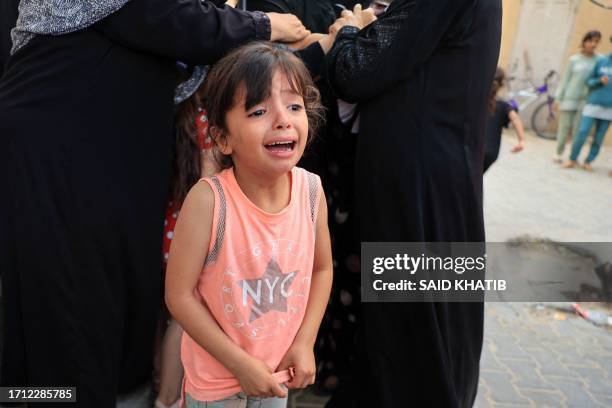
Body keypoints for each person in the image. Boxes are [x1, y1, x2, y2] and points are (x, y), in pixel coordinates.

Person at [0, 1, 310, 406]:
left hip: (90, 147)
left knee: (66, 303)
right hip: (67, 147)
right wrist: (264, 25)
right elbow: (164, 17)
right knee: (72, 301)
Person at [325, 0, 502, 406]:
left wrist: (350, 30)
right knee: (419, 325)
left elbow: (357, 72)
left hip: (416, 186)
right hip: (439, 176)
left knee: (409, 332)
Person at [165, 42, 333, 407]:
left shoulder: (311, 192)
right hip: (216, 388)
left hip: (276, 378)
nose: (282, 119)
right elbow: (179, 296)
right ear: (223, 137)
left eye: (294, 106)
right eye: (258, 110)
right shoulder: (210, 201)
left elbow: (322, 269)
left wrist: (304, 342)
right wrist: (240, 365)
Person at [553, 30, 601, 163]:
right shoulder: (574, 59)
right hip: (569, 98)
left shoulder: (598, 61)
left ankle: (572, 157)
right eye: (590, 41)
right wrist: (558, 98)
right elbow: (565, 80)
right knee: (564, 128)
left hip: (586, 101)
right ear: (584, 42)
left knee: (579, 131)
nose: (593, 44)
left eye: (596, 41)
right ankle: (558, 153)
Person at [563, 49, 612, 171]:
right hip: (593, 103)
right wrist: (598, 81)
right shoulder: (602, 61)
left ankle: (589, 161)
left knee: (599, 138)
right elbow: (588, 81)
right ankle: (572, 159)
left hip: (609, 109)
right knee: (582, 132)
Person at [484, 67, 525, 172]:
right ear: (501, 85)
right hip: (491, 153)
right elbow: (515, 118)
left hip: (473, 149)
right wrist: (522, 140)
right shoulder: (503, 106)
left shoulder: (475, 101)